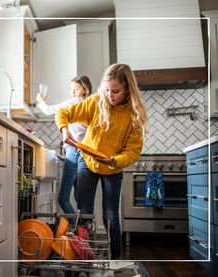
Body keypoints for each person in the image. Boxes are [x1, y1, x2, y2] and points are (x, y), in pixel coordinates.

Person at [55, 64, 149, 259]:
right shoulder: (96, 101)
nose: (110, 95)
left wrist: (114, 161)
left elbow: (133, 151)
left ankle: (115, 261)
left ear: (127, 90)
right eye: (106, 90)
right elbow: (63, 113)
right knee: (85, 214)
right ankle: (85, 259)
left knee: (111, 217)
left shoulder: (133, 115)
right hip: (87, 163)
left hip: (113, 168)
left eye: (115, 91)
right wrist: (65, 129)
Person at [36, 76, 92, 223]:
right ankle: (83, 232)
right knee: (79, 197)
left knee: (62, 198)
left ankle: (78, 230)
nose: (73, 93)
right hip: (83, 152)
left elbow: (49, 110)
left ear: (85, 89)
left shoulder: (75, 102)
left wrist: (41, 99)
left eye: (76, 89)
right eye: (71, 90)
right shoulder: (88, 104)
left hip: (74, 151)